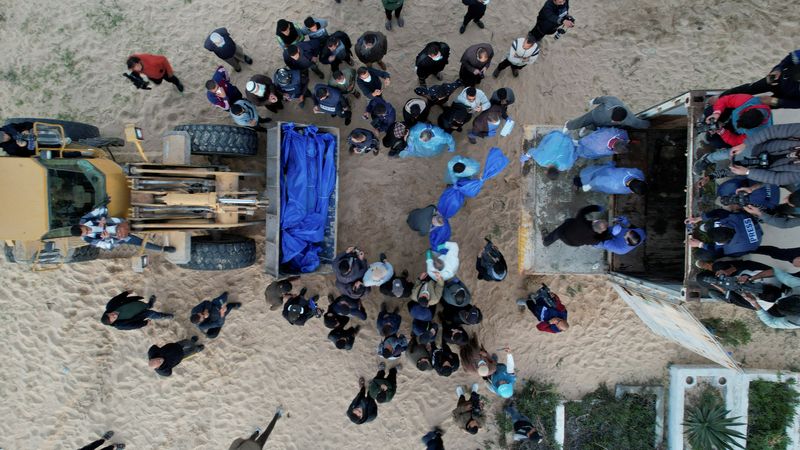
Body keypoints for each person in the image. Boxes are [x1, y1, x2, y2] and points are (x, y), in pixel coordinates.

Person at [71, 206, 175, 252]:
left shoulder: (85, 219)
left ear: (82, 225)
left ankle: (166, 221)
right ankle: (163, 249)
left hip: (119, 223)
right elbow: (107, 246)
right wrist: (107, 238)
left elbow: (101, 209)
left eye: (87, 229)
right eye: (86, 233)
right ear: (82, 236)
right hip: (119, 237)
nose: (89, 231)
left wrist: (102, 218)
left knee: (142, 223)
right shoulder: (87, 239)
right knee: (140, 243)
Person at [721, 49, 800, 109]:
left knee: (754, 108)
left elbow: (798, 104)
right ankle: (720, 98)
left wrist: (777, 102)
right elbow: (789, 59)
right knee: (750, 88)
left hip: (786, 98)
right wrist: (777, 69)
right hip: (778, 79)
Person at [704, 94, 772, 148]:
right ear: (747, 110)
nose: (737, 124)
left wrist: (722, 131)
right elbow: (725, 100)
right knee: (708, 112)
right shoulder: (747, 100)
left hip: (735, 132)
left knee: (714, 141)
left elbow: (736, 141)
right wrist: (716, 113)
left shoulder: (758, 133)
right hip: (731, 113)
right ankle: (709, 119)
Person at [565, 96, 650, 131]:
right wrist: (594, 101)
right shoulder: (612, 101)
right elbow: (603, 99)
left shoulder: (631, 120)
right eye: (613, 119)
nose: (613, 121)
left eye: (616, 121)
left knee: (595, 127)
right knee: (581, 121)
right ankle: (568, 125)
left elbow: (640, 124)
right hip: (594, 115)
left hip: (604, 124)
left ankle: (586, 130)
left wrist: (649, 124)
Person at [542, 204, 609, 247]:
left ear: (594, 221)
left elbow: (583, 210)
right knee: (570, 223)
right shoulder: (594, 240)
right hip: (572, 243)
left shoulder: (581, 221)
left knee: (561, 229)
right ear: (600, 232)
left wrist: (597, 208)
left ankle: (546, 242)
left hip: (564, 233)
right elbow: (602, 239)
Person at [101, 292, 173, 330]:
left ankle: (150, 304)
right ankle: (164, 316)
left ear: (108, 313)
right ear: (112, 322)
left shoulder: (110, 306)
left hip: (138, 304)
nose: (114, 315)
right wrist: (145, 323)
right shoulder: (120, 325)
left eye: (111, 314)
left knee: (146, 305)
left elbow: (117, 298)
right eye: (113, 318)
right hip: (141, 314)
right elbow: (133, 325)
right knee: (152, 314)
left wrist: (126, 293)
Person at [575, 162, 647, 195]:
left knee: (594, 170)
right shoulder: (615, 185)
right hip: (597, 177)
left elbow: (639, 172)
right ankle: (577, 182)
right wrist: (588, 186)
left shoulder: (637, 173)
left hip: (608, 170)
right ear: (632, 191)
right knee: (584, 181)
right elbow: (597, 180)